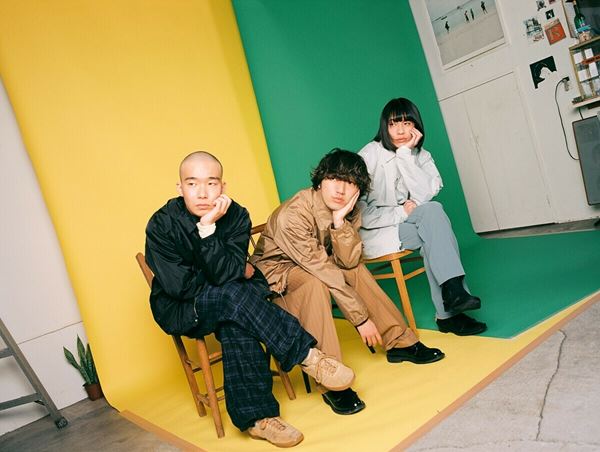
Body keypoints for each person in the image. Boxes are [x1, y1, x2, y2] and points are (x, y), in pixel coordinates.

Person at [145, 151, 356, 448]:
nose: (202, 193)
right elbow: (180, 286)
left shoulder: (236, 216)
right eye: (192, 184)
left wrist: (212, 238)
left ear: (223, 186)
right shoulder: (161, 224)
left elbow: (228, 273)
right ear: (180, 188)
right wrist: (209, 233)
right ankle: (308, 356)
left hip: (235, 303)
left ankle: (259, 420)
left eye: (211, 183)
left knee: (235, 317)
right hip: (183, 308)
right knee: (233, 293)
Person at [251, 149, 444, 417]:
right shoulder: (293, 215)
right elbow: (322, 269)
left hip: (315, 267)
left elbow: (349, 259)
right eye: (334, 179)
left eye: (351, 183)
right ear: (320, 181)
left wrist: (340, 221)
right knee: (315, 282)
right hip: (278, 282)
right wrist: (360, 318)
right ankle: (332, 379)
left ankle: (399, 341)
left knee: (354, 270)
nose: (341, 189)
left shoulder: (348, 209)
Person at [357, 98, 487, 337]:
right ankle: (451, 307)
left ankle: (452, 300)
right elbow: (359, 213)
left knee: (433, 215)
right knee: (434, 232)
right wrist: (400, 212)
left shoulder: (421, 155)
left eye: (406, 123)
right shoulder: (369, 155)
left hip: (412, 223)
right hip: (376, 231)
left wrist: (405, 155)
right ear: (384, 126)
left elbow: (425, 195)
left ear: (416, 126)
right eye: (393, 124)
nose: (400, 131)